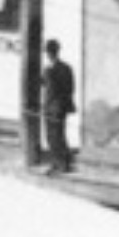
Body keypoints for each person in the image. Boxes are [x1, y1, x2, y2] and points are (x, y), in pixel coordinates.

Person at [41, 38, 76, 174]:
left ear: (53, 52)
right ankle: (57, 163)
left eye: (50, 52)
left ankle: (61, 164)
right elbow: (44, 85)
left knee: (57, 135)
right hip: (49, 107)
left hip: (57, 107)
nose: (49, 55)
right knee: (51, 136)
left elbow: (66, 88)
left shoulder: (60, 69)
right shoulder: (51, 69)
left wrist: (49, 76)